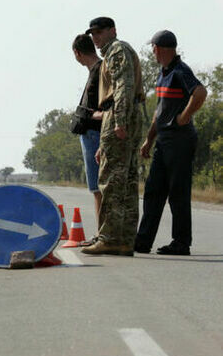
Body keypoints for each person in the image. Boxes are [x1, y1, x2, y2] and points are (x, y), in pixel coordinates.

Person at [134, 30, 207, 255]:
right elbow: (160, 110)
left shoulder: (180, 71)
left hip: (180, 140)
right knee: (154, 191)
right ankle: (143, 241)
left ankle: (181, 243)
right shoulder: (163, 73)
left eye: (153, 48)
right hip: (163, 141)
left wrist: (185, 117)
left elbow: (200, 92)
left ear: (161, 48)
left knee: (178, 193)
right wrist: (149, 139)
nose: (152, 52)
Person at [81, 17, 145, 256]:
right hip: (125, 114)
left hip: (117, 114)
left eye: (99, 32)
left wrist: (118, 121)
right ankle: (125, 239)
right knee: (126, 181)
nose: (96, 38)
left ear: (112, 31)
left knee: (110, 180)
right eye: (93, 34)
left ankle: (108, 238)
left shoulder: (117, 50)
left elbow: (123, 87)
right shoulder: (116, 52)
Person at [72, 34, 103, 245]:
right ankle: (102, 234)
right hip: (92, 133)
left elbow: (108, 107)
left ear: (77, 53)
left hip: (95, 134)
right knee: (97, 188)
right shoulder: (96, 70)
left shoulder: (100, 71)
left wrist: (90, 115)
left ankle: (102, 235)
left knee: (97, 189)